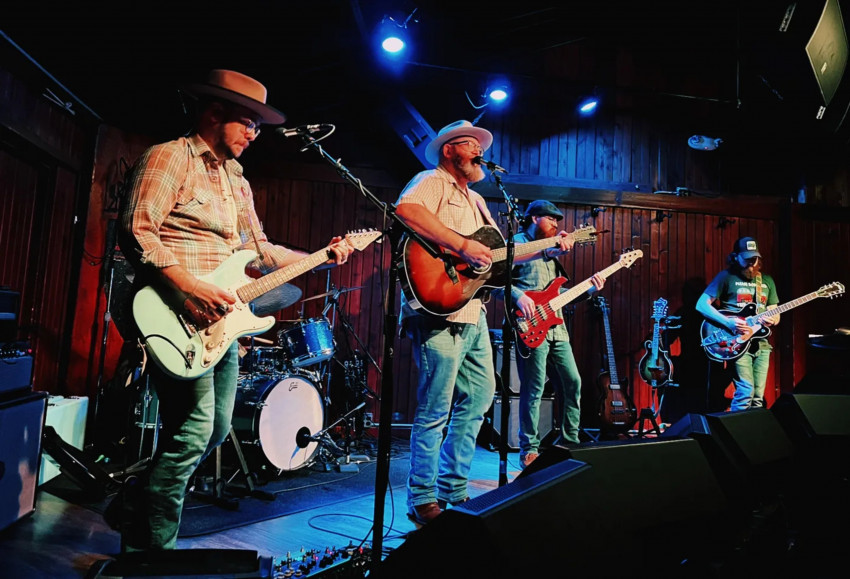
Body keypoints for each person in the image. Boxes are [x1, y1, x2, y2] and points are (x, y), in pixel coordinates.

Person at [109, 69, 354, 550]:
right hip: (174, 309)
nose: (254, 134)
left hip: (221, 322)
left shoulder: (236, 178)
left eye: (259, 126)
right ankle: (153, 548)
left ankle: (137, 501)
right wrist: (189, 288)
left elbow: (258, 249)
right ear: (214, 112)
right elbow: (137, 230)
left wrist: (320, 256)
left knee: (217, 429)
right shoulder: (169, 157)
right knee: (195, 428)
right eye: (248, 122)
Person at [394, 121, 572, 526]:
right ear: (448, 151)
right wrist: (460, 244)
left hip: (473, 310)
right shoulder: (432, 180)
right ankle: (421, 498)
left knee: (478, 399)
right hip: (437, 310)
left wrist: (550, 247)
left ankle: (453, 490)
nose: (478, 149)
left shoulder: (476, 200)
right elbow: (406, 211)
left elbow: (501, 254)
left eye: (479, 144)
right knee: (435, 407)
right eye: (469, 144)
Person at [500, 200, 604, 468]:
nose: (557, 225)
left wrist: (589, 290)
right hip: (530, 326)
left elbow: (557, 296)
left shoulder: (553, 251)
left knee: (573, 382)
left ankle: (570, 442)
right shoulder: (519, 246)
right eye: (551, 219)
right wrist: (518, 294)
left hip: (557, 329)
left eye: (557, 221)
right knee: (533, 389)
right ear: (534, 218)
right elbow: (497, 281)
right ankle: (528, 449)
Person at [696, 236, 779, 412]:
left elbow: (775, 312)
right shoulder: (726, 277)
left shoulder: (767, 281)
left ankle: (754, 436)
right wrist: (728, 322)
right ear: (736, 257)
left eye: (754, 258)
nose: (751, 262)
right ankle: (735, 436)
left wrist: (773, 319)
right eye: (747, 258)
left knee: (758, 397)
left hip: (761, 344)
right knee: (745, 392)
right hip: (736, 341)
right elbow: (701, 304)